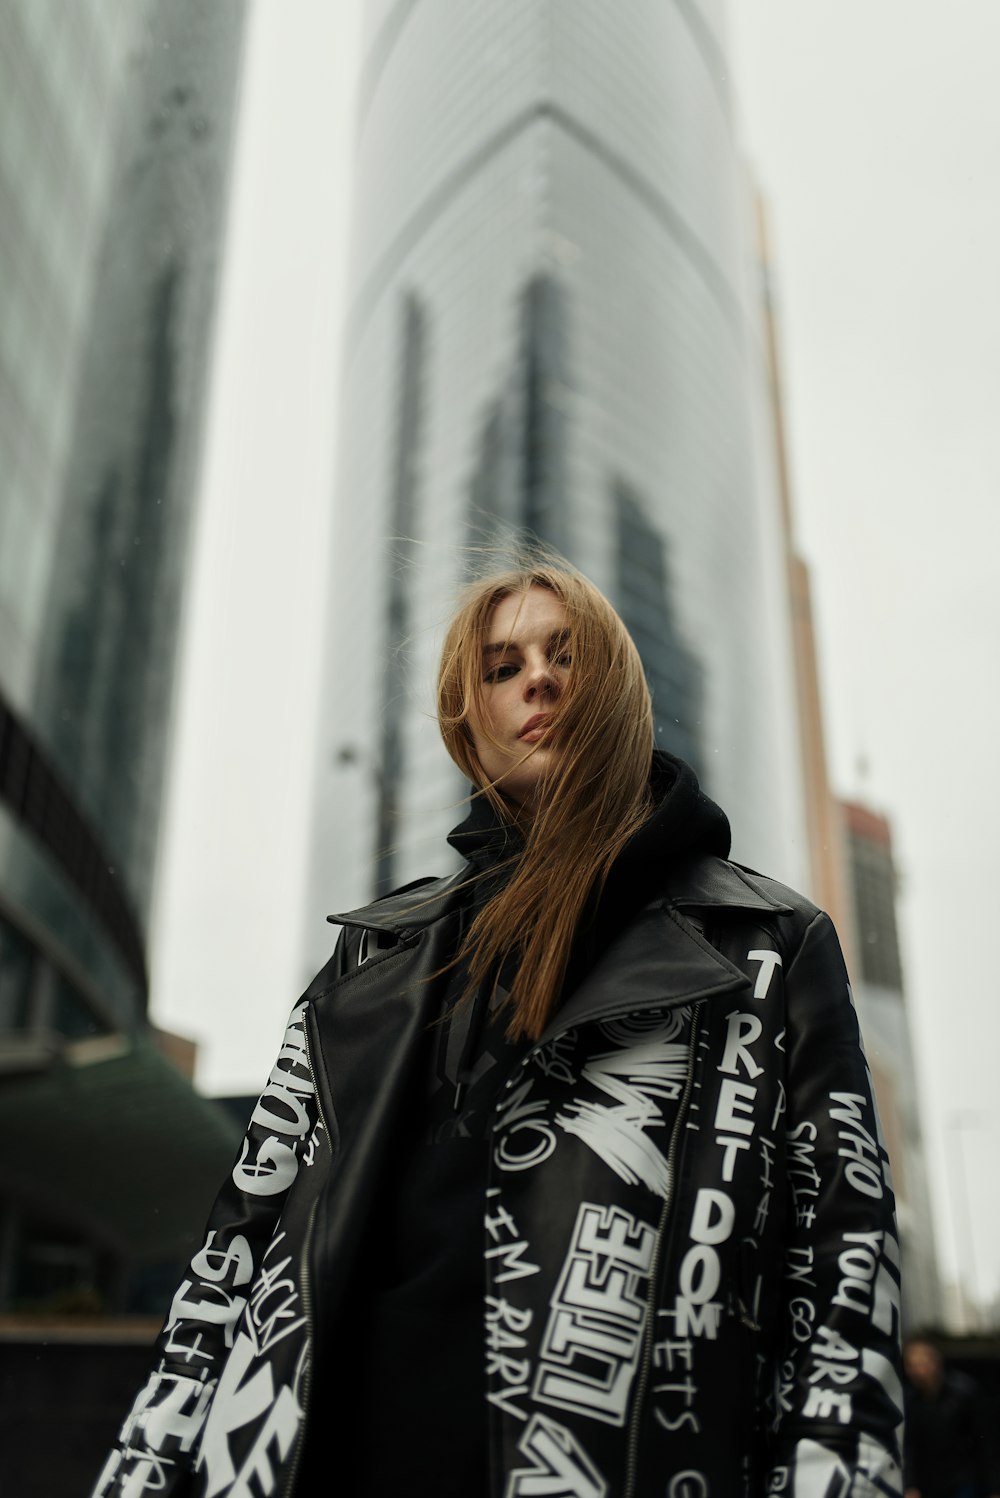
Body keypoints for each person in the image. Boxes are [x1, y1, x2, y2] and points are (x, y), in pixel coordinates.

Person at [94, 561, 904, 1496]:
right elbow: (234, 1253)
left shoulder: (768, 947)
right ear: (466, 719)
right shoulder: (370, 961)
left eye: (567, 655)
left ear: (619, 692)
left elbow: (842, 1274)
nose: (539, 679)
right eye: (501, 665)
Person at [903, 1333, 1000, 1498]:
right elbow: (908, 1448)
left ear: (935, 1362)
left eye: (922, 1363)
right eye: (912, 1365)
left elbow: (987, 1444)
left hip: (963, 1480)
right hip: (928, 1482)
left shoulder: (964, 1392)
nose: (917, 1370)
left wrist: (994, 1488)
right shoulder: (908, 1400)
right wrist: (909, 1484)